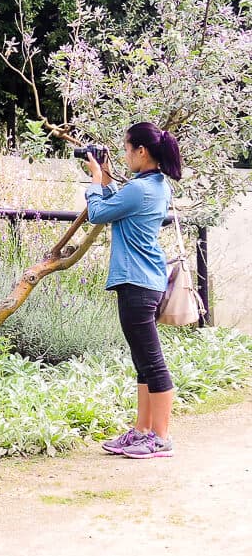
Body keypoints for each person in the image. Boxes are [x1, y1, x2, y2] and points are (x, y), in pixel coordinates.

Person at [82, 122, 183, 459]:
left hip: (138, 284)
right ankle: (142, 431)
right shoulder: (154, 185)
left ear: (142, 151)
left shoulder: (141, 189)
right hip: (144, 282)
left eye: (127, 148)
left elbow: (97, 213)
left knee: (152, 364)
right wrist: (107, 178)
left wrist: (96, 181)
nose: (125, 154)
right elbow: (119, 206)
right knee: (143, 363)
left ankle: (161, 438)